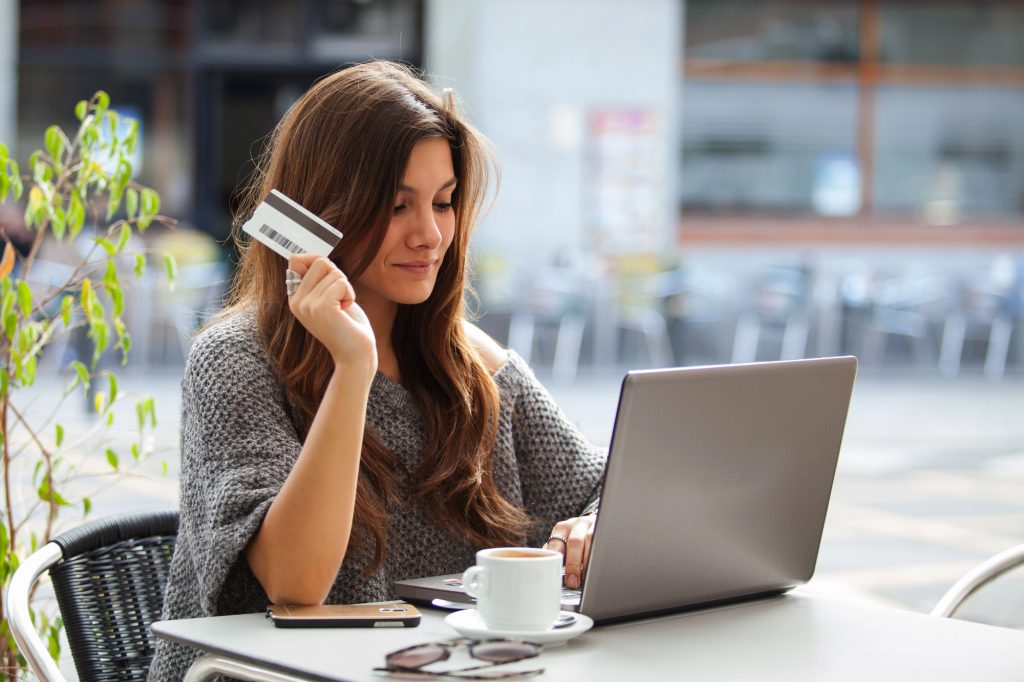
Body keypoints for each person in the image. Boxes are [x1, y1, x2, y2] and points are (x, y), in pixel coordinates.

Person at [149, 60, 604, 681]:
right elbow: (295, 582)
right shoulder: (233, 361)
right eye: (396, 206)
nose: (430, 235)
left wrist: (591, 526)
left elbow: (604, 489)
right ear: (322, 211)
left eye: (443, 203)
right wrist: (353, 367)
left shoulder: (477, 369)